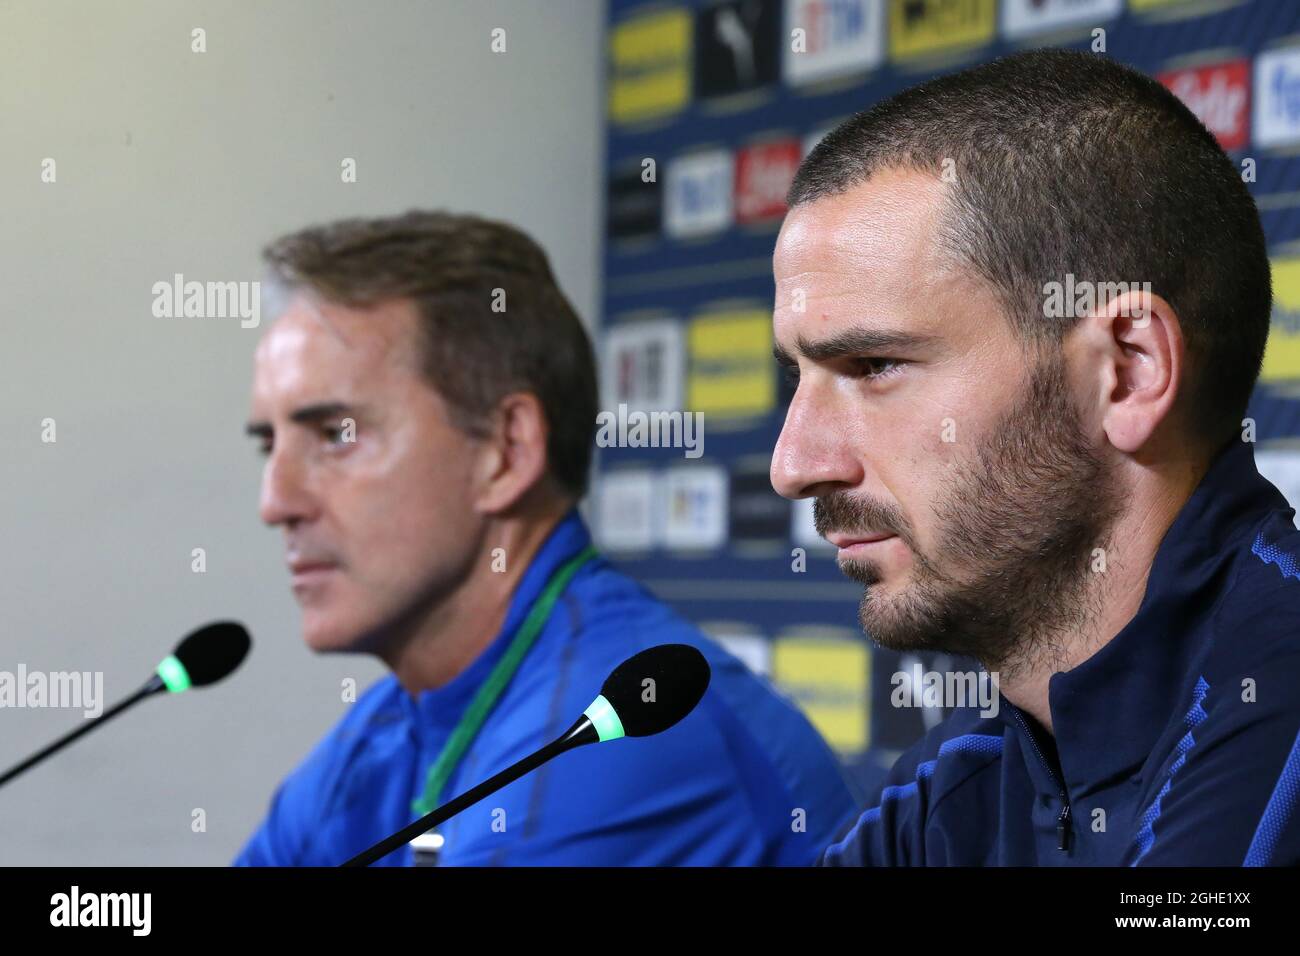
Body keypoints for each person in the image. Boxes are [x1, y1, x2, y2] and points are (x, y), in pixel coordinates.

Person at [770, 48, 1300, 865]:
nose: (794, 464)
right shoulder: (968, 781)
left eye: (873, 367)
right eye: (796, 377)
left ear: (1126, 373)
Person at [235, 210, 857, 866]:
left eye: (335, 435)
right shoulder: (398, 722)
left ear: (506, 450)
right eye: (268, 444)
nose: (275, 503)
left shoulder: (616, 742)